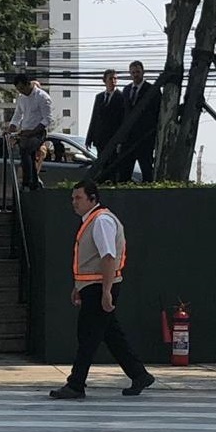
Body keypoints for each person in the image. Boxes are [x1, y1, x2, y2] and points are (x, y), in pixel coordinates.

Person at [50, 179, 155, 400]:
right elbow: (92, 261)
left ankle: (76, 384)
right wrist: (79, 287)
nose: (74, 203)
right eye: (73, 198)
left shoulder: (101, 221)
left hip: (100, 287)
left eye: (78, 198)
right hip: (93, 287)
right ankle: (139, 374)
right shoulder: (93, 220)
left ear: (93, 199)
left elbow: (108, 257)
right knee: (110, 334)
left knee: (88, 335)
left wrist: (106, 291)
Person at [119, 60, 161, 183]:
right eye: (133, 72)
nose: (135, 75)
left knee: (146, 169)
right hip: (128, 138)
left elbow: (157, 113)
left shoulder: (152, 90)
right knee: (125, 171)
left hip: (145, 137)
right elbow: (123, 113)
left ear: (143, 72)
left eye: (138, 72)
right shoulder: (126, 90)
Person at [8, 73, 52, 190]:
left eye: (22, 88)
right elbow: (17, 115)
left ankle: (27, 181)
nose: (21, 91)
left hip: (38, 133)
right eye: (18, 89)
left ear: (28, 84)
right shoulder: (21, 99)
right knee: (28, 156)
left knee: (26, 150)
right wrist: (10, 129)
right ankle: (33, 182)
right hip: (25, 132)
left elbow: (47, 119)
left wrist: (32, 132)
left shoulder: (42, 97)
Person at [84, 69, 125, 182]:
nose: (113, 81)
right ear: (104, 80)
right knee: (101, 163)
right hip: (100, 138)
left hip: (113, 138)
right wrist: (89, 138)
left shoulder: (121, 97)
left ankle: (111, 183)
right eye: (110, 78)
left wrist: (120, 140)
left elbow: (122, 120)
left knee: (112, 164)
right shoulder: (100, 97)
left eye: (115, 78)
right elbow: (94, 118)